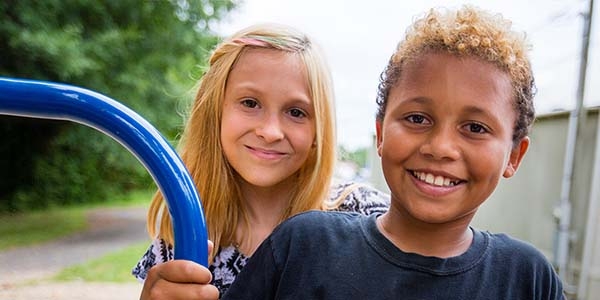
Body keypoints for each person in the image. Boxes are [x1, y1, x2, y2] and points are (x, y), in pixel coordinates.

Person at [222, 6, 565, 299]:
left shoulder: (527, 279)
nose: (440, 147)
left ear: (514, 156)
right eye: (418, 118)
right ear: (381, 133)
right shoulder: (303, 245)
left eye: (475, 128)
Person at [132, 23, 390, 299]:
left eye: (296, 112)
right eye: (250, 103)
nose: (270, 132)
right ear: (215, 111)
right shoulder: (184, 236)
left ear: (318, 130)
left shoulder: (368, 217)